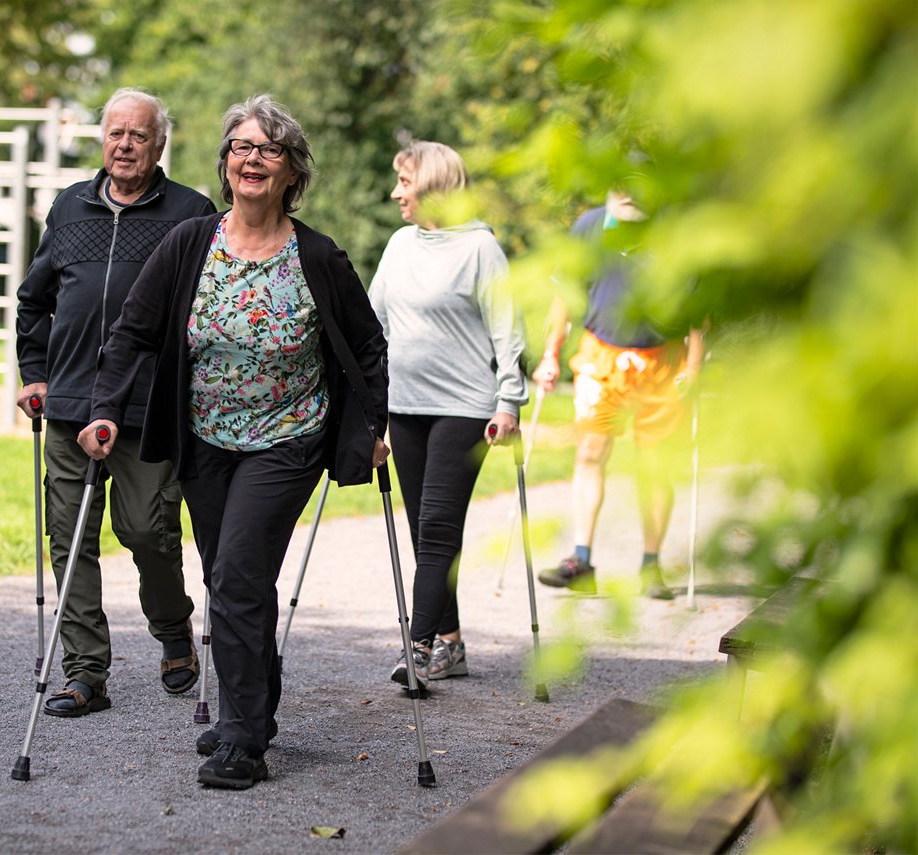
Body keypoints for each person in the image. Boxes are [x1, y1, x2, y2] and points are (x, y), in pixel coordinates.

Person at [78, 94, 389, 790]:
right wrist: (104, 409)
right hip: (205, 439)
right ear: (225, 164)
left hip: (288, 438)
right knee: (232, 579)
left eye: (268, 149)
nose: (251, 159)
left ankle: (244, 737)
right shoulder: (192, 242)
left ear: (290, 172)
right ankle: (256, 709)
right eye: (241, 147)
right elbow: (130, 330)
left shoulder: (318, 256)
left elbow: (368, 346)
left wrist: (373, 426)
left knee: (238, 577)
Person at [16, 89, 214, 718]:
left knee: (146, 529)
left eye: (139, 135)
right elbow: (34, 298)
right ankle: (84, 672)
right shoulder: (69, 207)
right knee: (68, 538)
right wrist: (34, 371)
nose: (125, 145)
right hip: (71, 402)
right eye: (115, 134)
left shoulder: (192, 213)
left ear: (160, 145)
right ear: (103, 140)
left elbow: (202, 312)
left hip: (146, 409)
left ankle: (173, 628)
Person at [368, 141, 528, 690]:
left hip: (464, 408)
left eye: (404, 183)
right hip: (404, 406)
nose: (396, 194)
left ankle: (417, 645)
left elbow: (509, 332)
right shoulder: (399, 245)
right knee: (426, 532)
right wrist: (367, 397)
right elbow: (377, 323)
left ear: (433, 186)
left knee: (437, 528)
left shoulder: (481, 249)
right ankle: (452, 644)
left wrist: (509, 402)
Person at [533, 187, 705, 599]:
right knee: (591, 451)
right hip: (601, 356)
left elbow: (699, 313)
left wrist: (695, 368)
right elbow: (566, 297)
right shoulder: (591, 227)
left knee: (655, 463)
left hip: (662, 361)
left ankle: (650, 566)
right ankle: (580, 560)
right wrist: (550, 355)